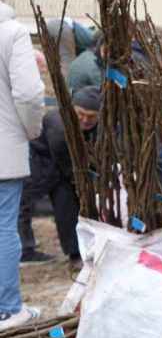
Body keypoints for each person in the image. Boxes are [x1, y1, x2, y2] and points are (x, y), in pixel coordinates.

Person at [0, 0, 45, 330]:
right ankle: (7, 309)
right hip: (3, 153)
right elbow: (29, 94)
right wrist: (31, 131)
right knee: (2, 228)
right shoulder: (12, 33)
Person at [18, 87, 100, 268]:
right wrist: (82, 183)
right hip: (40, 164)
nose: (86, 120)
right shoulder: (59, 127)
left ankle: (81, 249)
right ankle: (24, 250)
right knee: (24, 204)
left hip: (62, 166)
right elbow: (67, 165)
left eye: (91, 116)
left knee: (69, 206)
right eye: (81, 114)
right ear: (71, 110)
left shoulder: (98, 128)